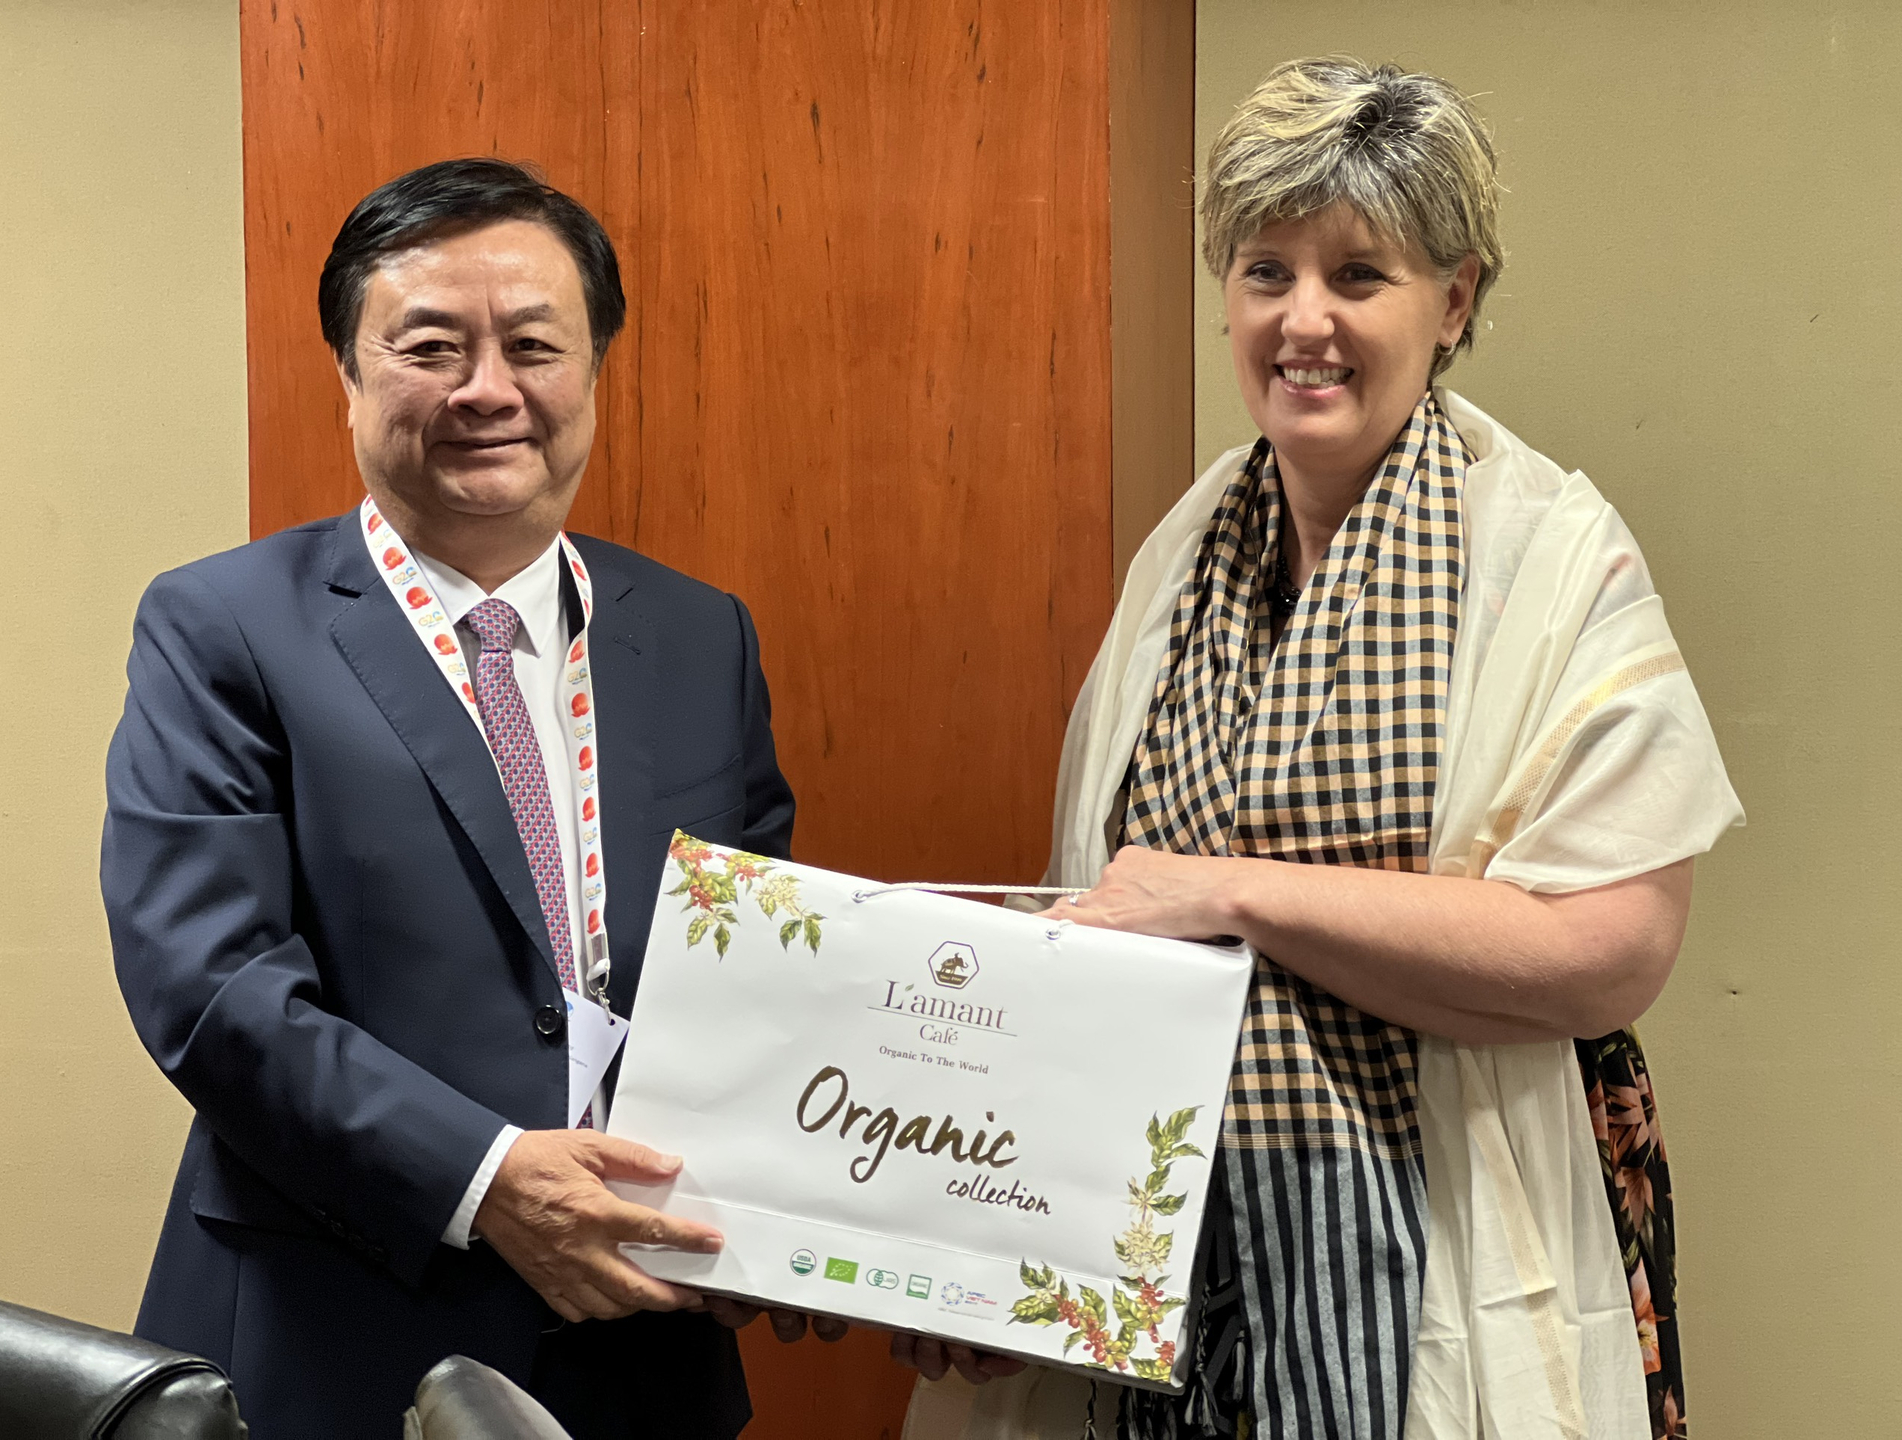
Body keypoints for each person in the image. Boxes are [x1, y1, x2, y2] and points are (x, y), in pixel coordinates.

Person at [900, 58, 1738, 1440]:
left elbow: (1612, 951)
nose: (1305, 320)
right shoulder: (1181, 560)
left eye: (1361, 275)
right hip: (1176, 1266)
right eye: (1265, 268)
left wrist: (1235, 894)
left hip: (1449, 1223)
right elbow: (1106, 922)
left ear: (1453, 299)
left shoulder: (1550, 555)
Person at [102, 157, 838, 1439]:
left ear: (596, 371)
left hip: (641, 1351)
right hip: (333, 1339)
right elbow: (210, 988)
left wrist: (826, 1217)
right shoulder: (223, 626)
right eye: (431, 346)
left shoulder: (697, 633)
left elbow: (761, 976)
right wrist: (489, 1180)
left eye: (535, 346)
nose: (489, 390)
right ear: (347, 371)